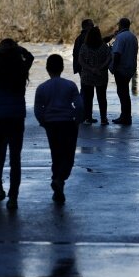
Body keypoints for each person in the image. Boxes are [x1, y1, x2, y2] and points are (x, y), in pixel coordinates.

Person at [0, 39, 35, 209]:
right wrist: (19, 49)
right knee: (15, 159)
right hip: (16, 117)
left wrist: (0, 51)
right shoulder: (21, 69)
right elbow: (30, 57)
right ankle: (13, 196)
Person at [34, 54, 84, 205]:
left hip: (51, 124)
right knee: (68, 155)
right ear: (62, 68)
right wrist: (77, 120)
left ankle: (57, 180)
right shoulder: (70, 85)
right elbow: (80, 106)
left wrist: (43, 121)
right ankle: (60, 179)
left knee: (56, 154)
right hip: (68, 122)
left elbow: (38, 109)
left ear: (47, 69)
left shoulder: (42, 88)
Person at [78, 26, 112, 125]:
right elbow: (109, 58)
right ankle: (103, 118)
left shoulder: (84, 46)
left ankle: (88, 117)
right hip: (101, 75)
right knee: (102, 97)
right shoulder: (103, 46)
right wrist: (100, 67)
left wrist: (90, 69)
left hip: (87, 76)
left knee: (88, 98)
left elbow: (80, 60)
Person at [109, 17, 138, 125]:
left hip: (121, 68)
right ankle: (126, 116)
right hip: (130, 68)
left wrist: (113, 68)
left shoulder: (121, 37)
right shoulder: (133, 37)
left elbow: (117, 53)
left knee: (122, 93)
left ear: (120, 25)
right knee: (125, 92)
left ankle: (125, 117)